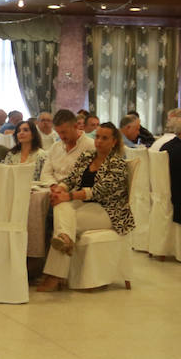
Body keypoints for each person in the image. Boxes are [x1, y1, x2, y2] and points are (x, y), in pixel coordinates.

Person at [37, 123, 133, 291]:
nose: (99, 141)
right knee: (61, 207)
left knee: (65, 218)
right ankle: (64, 242)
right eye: (97, 137)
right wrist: (61, 189)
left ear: (114, 142)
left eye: (104, 138)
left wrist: (69, 195)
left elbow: (100, 191)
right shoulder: (87, 156)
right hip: (84, 207)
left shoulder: (117, 163)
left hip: (109, 212)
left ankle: (55, 274)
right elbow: (72, 179)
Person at [38, 109, 87, 185]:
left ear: (75, 126)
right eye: (58, 132)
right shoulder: (55, 147)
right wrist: (53, 186)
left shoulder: (90, 146)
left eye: (64, 132)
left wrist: (63, 189)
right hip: (53, 190)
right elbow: (45, 174)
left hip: (76, 192)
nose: (61, 136)